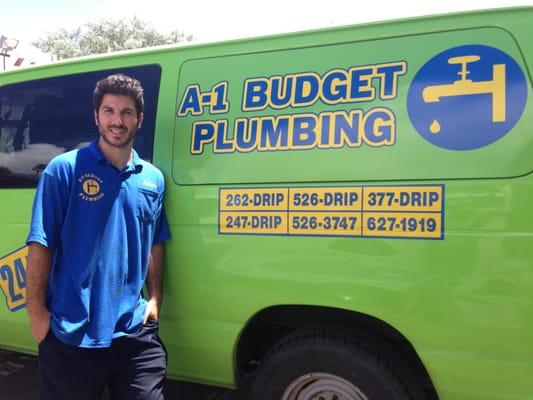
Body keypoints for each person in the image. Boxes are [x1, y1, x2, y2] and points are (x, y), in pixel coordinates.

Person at [25, 74, 171, 400]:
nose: (117, 121)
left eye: (126, 112)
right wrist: (37, 315)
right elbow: (40, 244)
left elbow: (155, 242)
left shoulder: (153, 179)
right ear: (97, 116)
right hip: (71, 335)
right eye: (109, 111)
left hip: (134, 333)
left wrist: (156, 299)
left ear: (139, 119)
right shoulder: (63, 170)